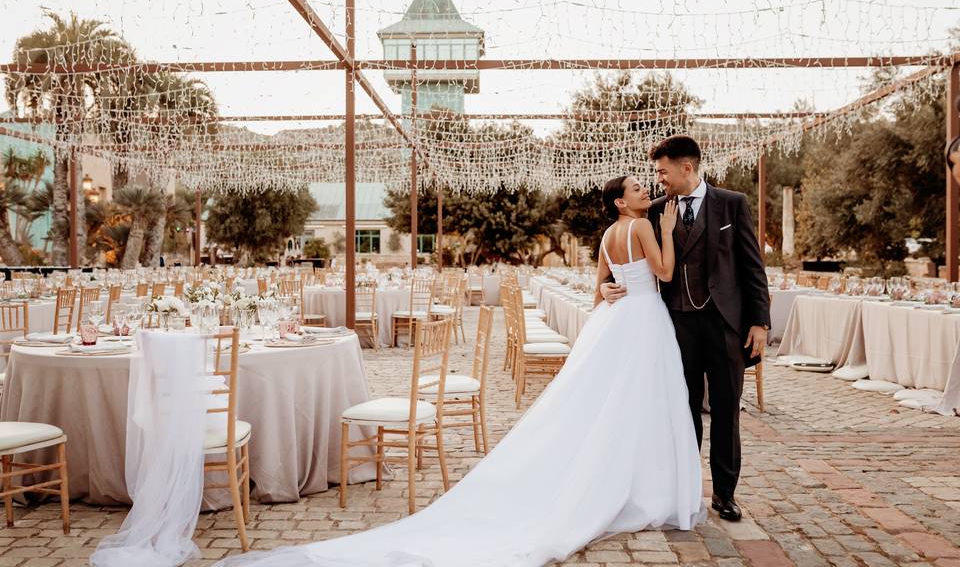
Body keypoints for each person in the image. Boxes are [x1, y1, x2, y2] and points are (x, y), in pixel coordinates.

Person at [217, 177, 704, 567]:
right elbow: (663, 273)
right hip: (643, 320)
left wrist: (612, 293)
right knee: (643, 403)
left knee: (612, 402)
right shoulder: (641, 227)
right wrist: (663, 229)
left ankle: (623, 477)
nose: (646, 191)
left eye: (646, 186)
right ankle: (641, 484)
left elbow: (599, 289)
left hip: (614, 322)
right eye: (638, 189)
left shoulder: (605, 236)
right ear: (621, 203)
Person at [601, 134, 770, 522]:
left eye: (662, 172)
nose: (658, 179)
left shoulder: (732, 204)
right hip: (676, 326)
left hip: (726, 325)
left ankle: (725, 495)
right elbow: (621, 261)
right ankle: (685, 489)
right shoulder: (655, 212)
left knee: (727, 410)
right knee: (683, 409)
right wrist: (604, 285)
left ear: (686, 168)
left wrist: (760, 322)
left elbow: (752, 268)